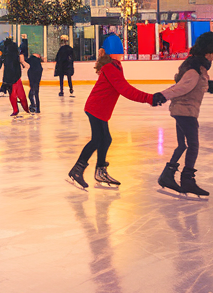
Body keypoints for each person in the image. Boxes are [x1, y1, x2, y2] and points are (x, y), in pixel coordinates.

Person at [66, 32, 163, 190]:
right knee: (98, 140)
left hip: (100, 110)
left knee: (106, 139)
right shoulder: (110, 68)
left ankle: (100, 171)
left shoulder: (115, 66)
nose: (123, 51)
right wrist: (150, 98)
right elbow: (125, 90)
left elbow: (123, 88)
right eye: (121, 48)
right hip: (96, 109)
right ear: (115, 51)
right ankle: (77, 170)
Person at [157, 31, 213, 198]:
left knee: (182, 145)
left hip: (183, 110)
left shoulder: (198, 67)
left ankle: (167, 176)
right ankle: (187, 180)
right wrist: (162, 95)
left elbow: (193, 85)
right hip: (185, 111)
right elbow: (182, 87)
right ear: (208, 52)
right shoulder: (195, 69)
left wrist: (211, 86)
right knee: (193, 145)